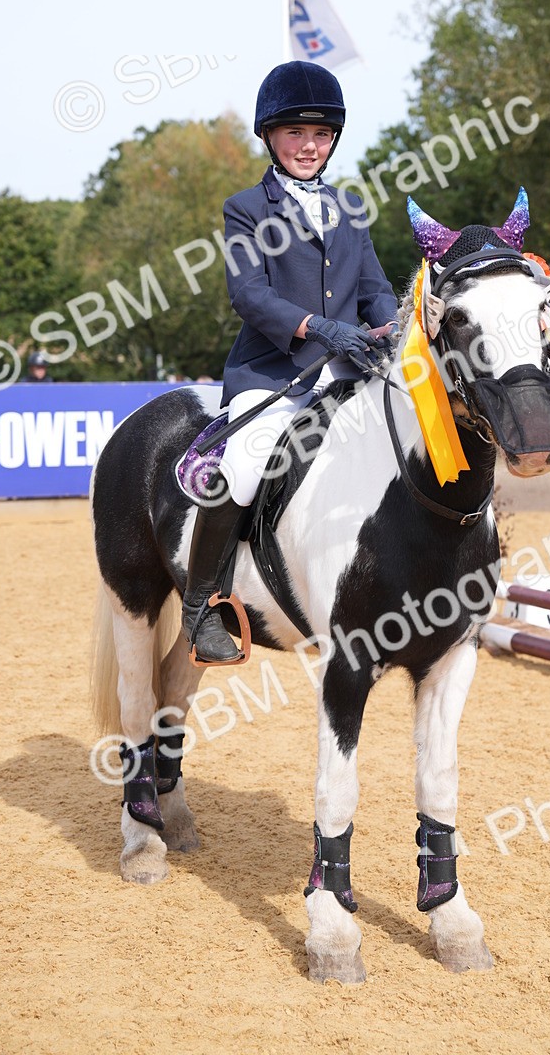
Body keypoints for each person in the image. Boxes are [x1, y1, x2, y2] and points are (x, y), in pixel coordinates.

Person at [180, 61, 399, 663]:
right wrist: (320, 327)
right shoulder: (247, 206)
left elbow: (375, 288)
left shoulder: (351, 208)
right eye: (296, 133)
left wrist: (390, 324)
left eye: (321, 134)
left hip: (351, 371)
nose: (309, 145)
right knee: (245, 464)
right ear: (270, 136)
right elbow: (249, 294)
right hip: (275, 374)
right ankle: (203, 605)